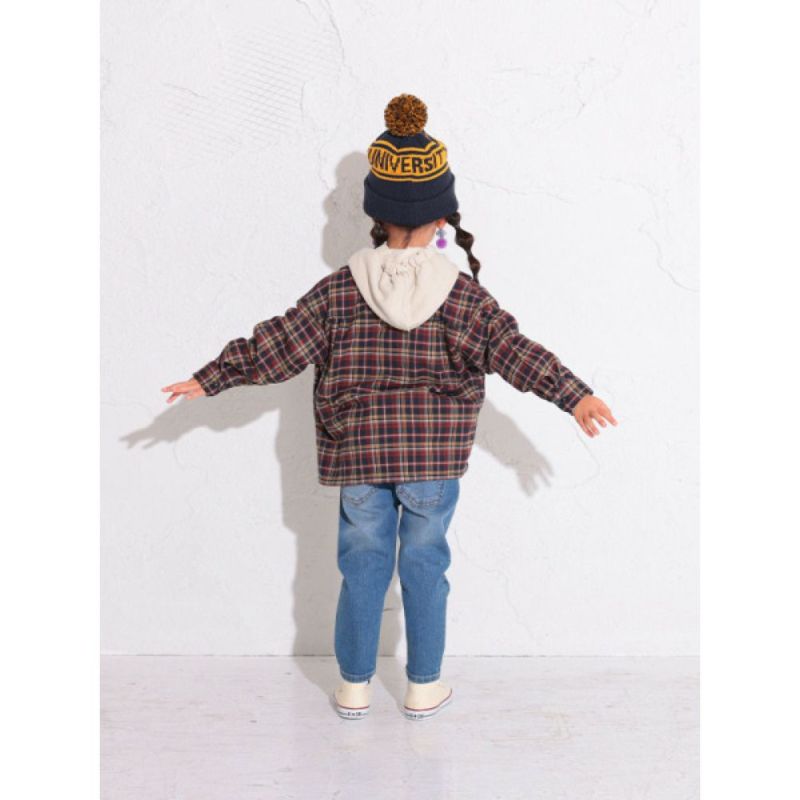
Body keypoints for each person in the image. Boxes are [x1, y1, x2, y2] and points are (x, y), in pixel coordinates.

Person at [161, 93, 617, 721]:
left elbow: (278, 345)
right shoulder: (463, 298)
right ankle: (423, 686)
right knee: (426, 567)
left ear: (376, 213)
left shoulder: (339, 291)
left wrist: (210, 377)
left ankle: (353, 685)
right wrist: (575, 395)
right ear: (442, 218)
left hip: (359, 458)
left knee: (363, 568)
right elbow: (514, 351)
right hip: (432, 462)